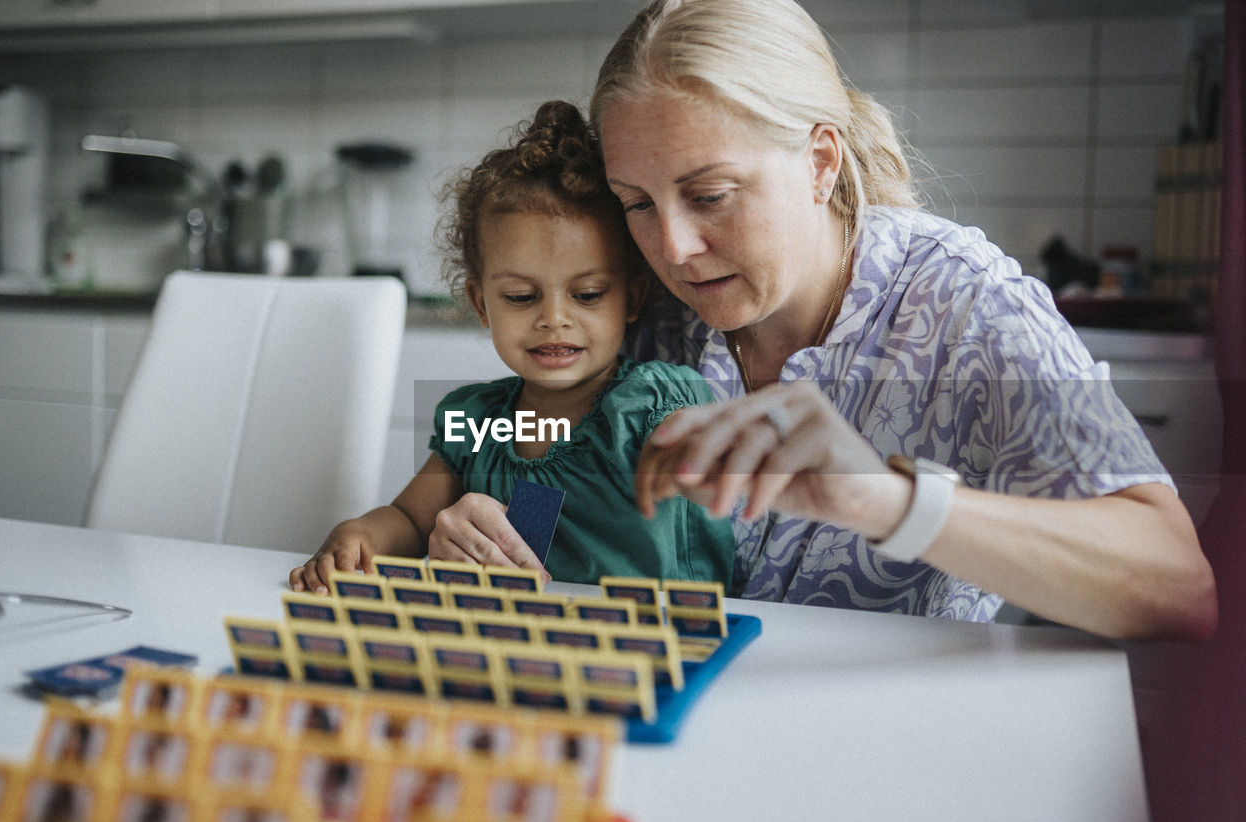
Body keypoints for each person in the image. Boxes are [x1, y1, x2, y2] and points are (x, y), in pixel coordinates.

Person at [433, 0, 1217, 642]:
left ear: (820, 162)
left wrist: (886, 499)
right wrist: (493, 528)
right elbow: (559, 451)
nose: (672, 247)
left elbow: (1179, 584)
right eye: (637, 202)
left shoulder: (965, 304)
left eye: (710, 195)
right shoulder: (639, 300)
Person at [290, 100, 733, 594]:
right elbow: (410, 521)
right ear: (481, 304)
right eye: (521, 298)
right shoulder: (477, 421)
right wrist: (357, 535)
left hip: (663, 646)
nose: (554, 319)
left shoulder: (652, 404)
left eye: (587, 295)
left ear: (632, 298)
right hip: (523, 648)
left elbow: (702, 460)